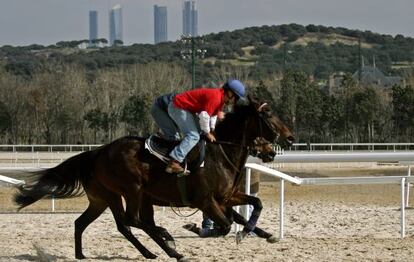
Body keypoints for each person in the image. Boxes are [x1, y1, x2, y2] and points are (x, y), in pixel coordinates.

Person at [151, 79, 246, 174]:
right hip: (177, 107)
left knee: (200, 132)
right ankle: (174, 161)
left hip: (184, 108)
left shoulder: (220, 98)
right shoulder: (216, 97)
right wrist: (208, 133)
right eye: (236, 98)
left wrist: (212, 130)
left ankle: (189, 157)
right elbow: (204, 116)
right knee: (193, 136)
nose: (235, 101)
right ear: (230, 93)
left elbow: (213, 115)